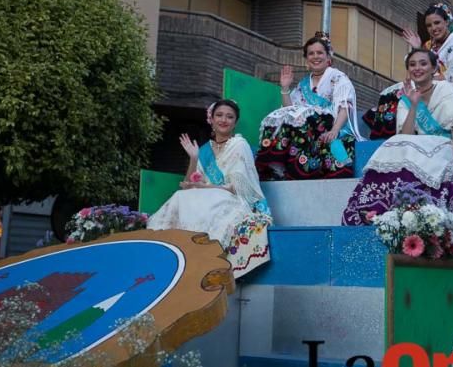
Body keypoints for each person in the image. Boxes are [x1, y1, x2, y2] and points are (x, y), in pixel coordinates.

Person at [342, 48, 453, 226]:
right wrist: (414, 105)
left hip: (448, 146)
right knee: (394, 142)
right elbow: (404, 136)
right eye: (412, 65)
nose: (417, 68)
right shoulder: (406, 97)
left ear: (433, 68)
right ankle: (375, 207)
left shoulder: (444, 89)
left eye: (423, 63)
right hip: (423, 149)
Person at [148, 100, 271, 278]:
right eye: (219, 115)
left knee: (213, 200)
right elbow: (188, 184)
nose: (224, 120)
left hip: (231, 197)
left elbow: (240, 188)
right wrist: (193, 158)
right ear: (211, 120)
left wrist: (206, 186)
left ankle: (203, 257)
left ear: (235, 122)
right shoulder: (205, 150)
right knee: (179, 197)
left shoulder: (239, 145)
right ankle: (168, 251)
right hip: (206, 195)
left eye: (229, 117)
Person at [363, 3, 453, 138]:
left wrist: (425, 82)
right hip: (430, 88)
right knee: (389, 95)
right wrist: (416, 48)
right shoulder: (428, 45)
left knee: (401, 93)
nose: (433, 28)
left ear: (447, 22)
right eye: (429, 25)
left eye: (437, 23)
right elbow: (418, 71)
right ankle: (386, 137)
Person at [256, 33, 361, 180]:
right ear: (306, 59)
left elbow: (345, 105)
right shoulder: (303, 84)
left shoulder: (337, 77)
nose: (315, 56)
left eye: (320, 53)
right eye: (311, 53)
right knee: (280, 121)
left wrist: (334, 130)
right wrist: (285, 88)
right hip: (309, 129)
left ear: (328, 57)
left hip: (331, 126)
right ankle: (274, 164)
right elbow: (290, 111)